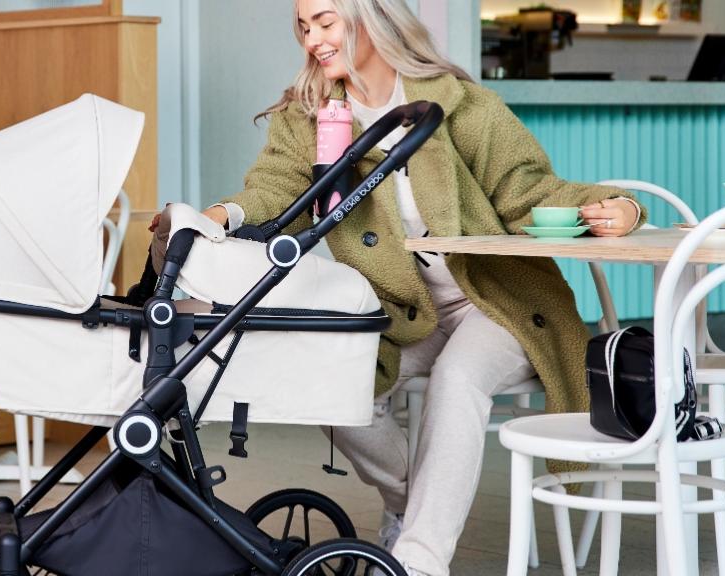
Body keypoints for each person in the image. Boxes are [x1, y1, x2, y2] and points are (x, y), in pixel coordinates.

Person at [154, 1, 645, 574]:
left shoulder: (456, 103)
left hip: (491, 299)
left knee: (459, 379)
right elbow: (274, 191)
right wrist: (216, 216)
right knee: (326, 378)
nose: (313, 38)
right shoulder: (309, 114)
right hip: (400, 308)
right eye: (303, 27)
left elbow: (525, 188)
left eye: (325, 21)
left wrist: (616, 206)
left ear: (370, 18)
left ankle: (417, 561)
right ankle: (412, 510)